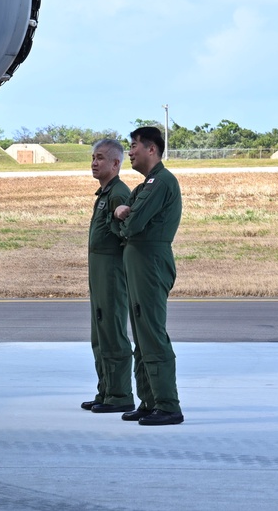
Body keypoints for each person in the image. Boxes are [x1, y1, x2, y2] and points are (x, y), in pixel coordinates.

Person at [113, 126, 184, 426]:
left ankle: (168, 405)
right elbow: (121, 227)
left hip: (150, 263)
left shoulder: (160, 182)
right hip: (138, 263)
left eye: (133, 146)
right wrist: (120, 216)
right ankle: (149, 401)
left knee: (152, 335)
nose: (129, 152)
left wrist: (122, 216)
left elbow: (132, 225)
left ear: (151, 149)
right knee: (141, 337)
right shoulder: (144, 187)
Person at [81, 139, 135, 414]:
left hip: (112, 274)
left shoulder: (118, 194)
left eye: (100, 158)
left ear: (115, 163)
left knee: (112, 334)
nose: (94, 162)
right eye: (92, 157)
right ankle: (105, 391)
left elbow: (124, 233)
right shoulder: (104, 194)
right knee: (99, 336)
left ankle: (120, 394)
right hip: (99, 273)